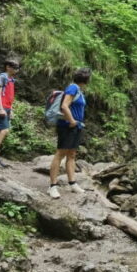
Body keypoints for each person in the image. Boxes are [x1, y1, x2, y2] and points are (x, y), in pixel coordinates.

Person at [48, 67, 91, 199]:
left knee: (72, 154)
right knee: (60, 153)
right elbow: (64, 106)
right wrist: (72, 121)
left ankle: (73, 183)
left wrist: (76, 123)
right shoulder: (72, 88)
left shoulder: (78, 90)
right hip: (67, 126)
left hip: (76, 126)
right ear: (86, 79)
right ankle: (52, 186)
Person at [0, 58, 20, 167]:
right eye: (14, 67)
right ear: (8, 67)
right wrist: (1, 108)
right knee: (4, 130)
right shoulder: (2, 77)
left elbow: (9, 96)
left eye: (17, 67)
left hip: (6, 107)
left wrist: (10, 110)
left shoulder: (11, 79)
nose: (17, 69)